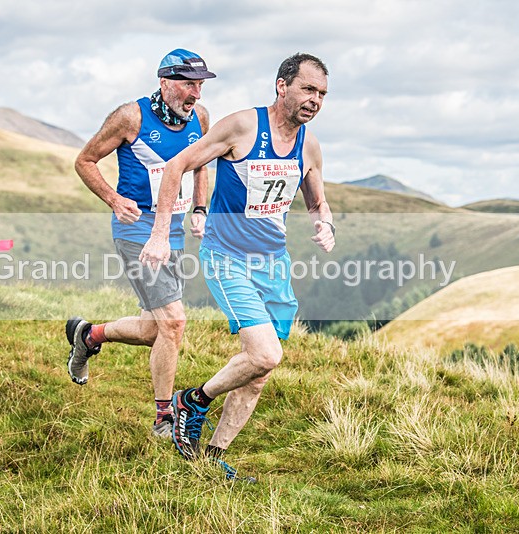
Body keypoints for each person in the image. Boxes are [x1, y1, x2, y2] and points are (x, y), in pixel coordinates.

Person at [140, 53, 335, 481]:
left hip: (274, 265)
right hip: (227, 258)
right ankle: (193, 400)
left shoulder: (309, 144)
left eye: (321, 94)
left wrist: (325, 225)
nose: (314, 100)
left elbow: (316, 200)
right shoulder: (243, 126)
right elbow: (177, 166)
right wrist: (158, 234)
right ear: (282, 86)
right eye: (307, 89)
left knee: (261, 370)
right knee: (266, 353)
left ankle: (209, 459)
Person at [65, 49, 214, 438]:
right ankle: (164, 416)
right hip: (136, 232)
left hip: (174, 229)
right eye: (187, 84)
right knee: (175, 321)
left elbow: (202, 166)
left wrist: (199, 208)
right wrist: (114, 200)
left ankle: (88, 335)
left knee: (155, 329)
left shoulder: (200, 117)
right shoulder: (131, 117)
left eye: (200, 84)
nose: (195, 93)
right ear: (164, 82)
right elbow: (85, 160)